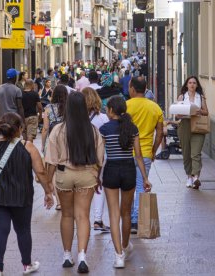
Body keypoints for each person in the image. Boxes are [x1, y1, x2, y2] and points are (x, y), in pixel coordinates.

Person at [0, 112, 54, 276]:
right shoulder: (28, 147)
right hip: (22, 197)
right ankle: (27, 265)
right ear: (20, 129)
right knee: (23, 230)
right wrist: (48, 192)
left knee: (0, 231)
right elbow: (41, 172)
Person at [45, 92, 105, 274]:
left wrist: (48, 184)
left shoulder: (58, 130)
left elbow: (51, 160)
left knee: (67, 216)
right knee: (83, 216)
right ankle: (82, 256)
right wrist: (97, 177)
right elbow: (100, 158)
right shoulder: (93, 130)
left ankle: (66, 255)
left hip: (64, 175)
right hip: (86, 175)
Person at [100, 96, 151, 268]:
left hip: (111, 170)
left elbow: (100, 157)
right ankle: (125, 245)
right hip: (129, 170)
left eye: (107, 108)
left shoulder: (104, 129)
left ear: (111, 110)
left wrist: (96, 176)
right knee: (126, 213)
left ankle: (118, 256)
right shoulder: (132, 128)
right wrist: (145, 178)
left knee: (113, 214)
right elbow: (138, 156)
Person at [126, 76, 163, 234]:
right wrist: (154, 150)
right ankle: (136, 220)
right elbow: (160, 132)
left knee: (129, 187)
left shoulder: (126, 106)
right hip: (146, 152)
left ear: (133, 89)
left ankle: (132, 219)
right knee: (141, 185)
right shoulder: (155, 108)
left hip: (127, 152)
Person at [82, 87, 110, 232]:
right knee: (99, 186)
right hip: (99, 156)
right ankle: (98, 220)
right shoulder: (103, 118)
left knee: (82, 186)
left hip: (80, 156)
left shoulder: (76, 118)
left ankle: (82, 218)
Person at [176, 76, 209, 189]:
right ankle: (189, 177)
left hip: (198, 124)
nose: (192, 85)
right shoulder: (182, 97)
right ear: (186, 85)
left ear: (197, 85)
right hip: (184, 124)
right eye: (190, 83)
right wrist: (182, 112)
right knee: (186, 153)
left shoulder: (201, 97)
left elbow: (206, 112)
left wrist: (199, 110)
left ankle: (196, 177)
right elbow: (177, 114)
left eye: (194, 83)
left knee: (196, 153)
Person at [41, 85, 68, 210]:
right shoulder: (68, 108)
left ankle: (59, 201)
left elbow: (45, 128)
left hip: (51, 142)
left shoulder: (48, 108)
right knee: (64, 169)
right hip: (65, 141)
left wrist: (42, 144)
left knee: (53, 169)